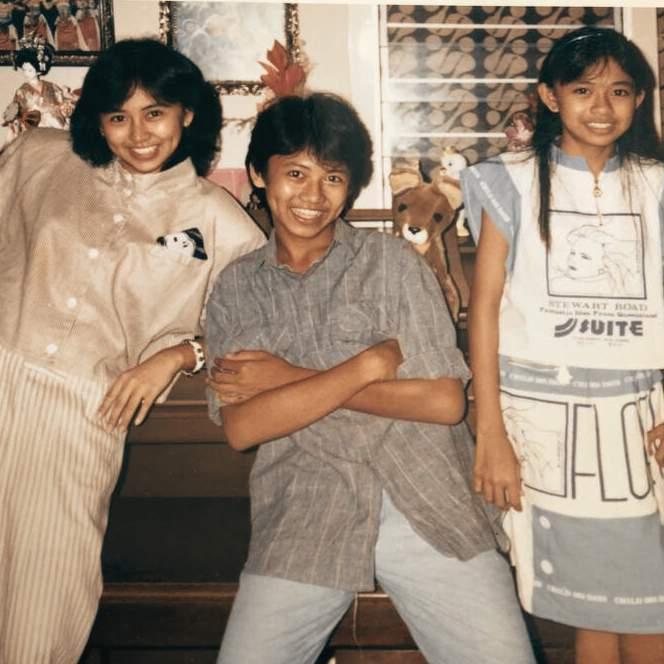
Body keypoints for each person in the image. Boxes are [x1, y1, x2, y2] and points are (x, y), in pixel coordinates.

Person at [205, 92, 535, 664]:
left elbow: (443, 401)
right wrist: (366, 365)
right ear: (259, 174)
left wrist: (288, 379)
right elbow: (243, 427)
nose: (314, 196)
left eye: (332, 177)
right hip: (305, 508)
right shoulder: (238, 286)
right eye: (296, 174)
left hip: (428, 502)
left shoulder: (393, 263)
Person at [0, 38, 265, 664]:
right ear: (98, 120)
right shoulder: (38, 157)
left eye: (155, 113)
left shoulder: (220, 220)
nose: (138, 134)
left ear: (187, 114)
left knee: (43, 603)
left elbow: (263, 329)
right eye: (119, 116)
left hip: (82, 412)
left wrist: (179, 355)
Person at [462, 26, 664, 664]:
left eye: (619, 91)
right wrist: (490, 434)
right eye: (583, 90)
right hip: (547, 427)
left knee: (654, 607)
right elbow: (484, 310)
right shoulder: (512, 180)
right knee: (591, 609)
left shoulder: (657, 185)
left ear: (639, 100)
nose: (602, 107)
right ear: (551, 97)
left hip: (643, 423)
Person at [2, 36, 77, 145]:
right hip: (32, 132)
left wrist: (66, 104)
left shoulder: (52, 87)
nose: (26, 73)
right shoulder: (21, 91)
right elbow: (14, 110)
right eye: (24, 70)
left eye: (30, 70)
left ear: (38, 71)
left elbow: (64, 106)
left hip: (55, 129)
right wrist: (9, 118)